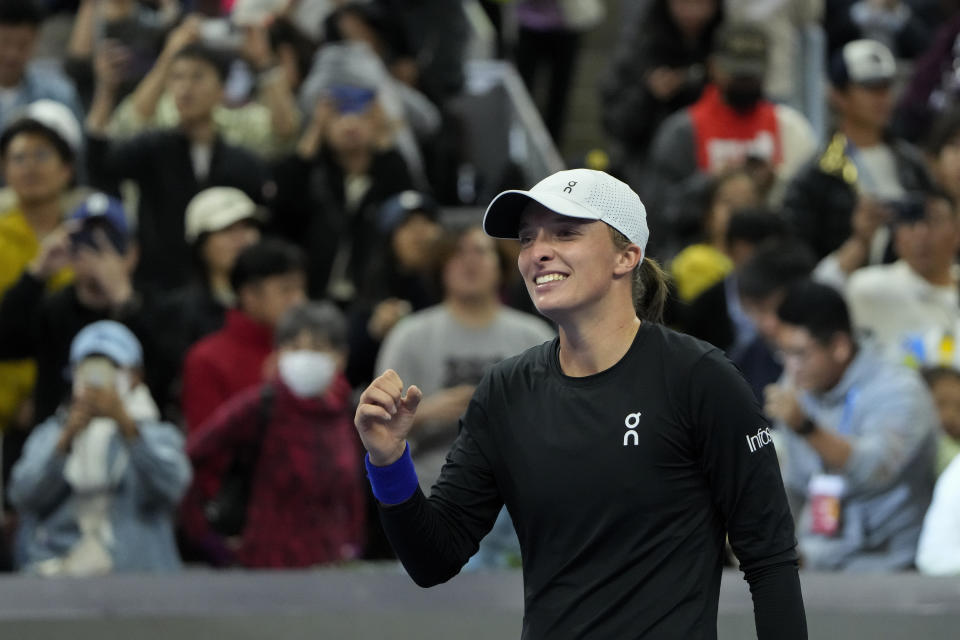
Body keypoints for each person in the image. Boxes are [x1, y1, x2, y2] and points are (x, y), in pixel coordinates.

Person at [355, 169, 806, 638]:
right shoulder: (505, 391)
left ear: (626, 256)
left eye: (565, 232)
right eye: (528, 238)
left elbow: (769, 558)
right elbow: (434, 558)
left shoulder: (700, 379)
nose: (537, 251)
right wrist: (389, 461)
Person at [765, 280, 937, 571]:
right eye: (783, 353)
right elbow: (794, 484)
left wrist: (807, 428)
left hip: (891, 568)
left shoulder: (899, 389)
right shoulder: (798, 385)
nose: (790, 367)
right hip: (818, 559)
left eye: (799, 354)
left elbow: (875, 468)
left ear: (840, 347)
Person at [374, 225, 555, 494]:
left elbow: (558, 419)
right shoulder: (408, 336)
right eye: (457, 253)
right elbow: (378, 426)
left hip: (518, 495)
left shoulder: (535, 336)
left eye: (481, 251)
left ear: (502, 265)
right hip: (429, 488)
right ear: (441, 267)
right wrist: (428, 412)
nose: (469, 261)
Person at [184, 302, 365, 568]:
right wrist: (209, 540)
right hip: (264, 575)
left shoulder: (351, 415)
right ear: (278, 353)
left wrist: (355, 545)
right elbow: (190, 458)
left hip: (333, 574)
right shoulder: (258, 407)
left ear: (340, 357)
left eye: (317, 348)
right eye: (294, 347)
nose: (305, 357)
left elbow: (358, 493)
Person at [85, 37, 271, 294]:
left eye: (197, 77)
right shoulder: (151, 148)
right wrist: (105, 91)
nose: (185, 88)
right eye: (177, 77)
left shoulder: (242, 162)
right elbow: (100, 167)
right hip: (158, 289)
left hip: (225, 293)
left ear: (221, 88)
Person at [8, 320, 191, 575]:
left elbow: (173, 488)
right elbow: (22, 496)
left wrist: (128, 427)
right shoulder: (51, 433)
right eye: (88, 367)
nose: (97, 379)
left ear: (136, 375)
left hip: (141, 577)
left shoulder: (158, 434)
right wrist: (65, 441)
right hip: (58, 577)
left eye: (111, 367)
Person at [0, 192, 163, 427]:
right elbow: (5, 344)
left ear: (132, 253)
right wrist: (36, 274)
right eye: (86, 241)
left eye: (110, 242)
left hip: (134, 443)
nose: (96, 254)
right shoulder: (53, 309)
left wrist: (123, 300)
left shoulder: (154, 307)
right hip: (59, 445)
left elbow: (164, 376)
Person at [645, 20, 816, 231]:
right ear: (713, 67)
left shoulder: (792, 129)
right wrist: (711, 182)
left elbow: (810, 212)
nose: (744, 82)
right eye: (738, 74)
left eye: (751, 75)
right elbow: (660, 211)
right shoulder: (682, 132)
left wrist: (775, 184)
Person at [783, 39, 932, 262]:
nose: (883, 98)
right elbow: (798, 258)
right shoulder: (816, 175)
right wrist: (859, 240)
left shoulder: (912, 161)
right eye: (870, 88)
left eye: (886, 86)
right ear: (838, 95)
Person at [180, 238, 306, 434]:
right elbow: (206, 450)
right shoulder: (205, 360)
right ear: (249, 295)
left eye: (300, 289)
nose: (299, 300)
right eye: (286, 290)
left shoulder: (312, 353)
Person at [602, 0, 723, 177]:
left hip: (708, 160)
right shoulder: (640, 47)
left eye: (702, 3)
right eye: (684, 3)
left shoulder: (723, 46)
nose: (693, 12)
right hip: (644, 162)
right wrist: (649, 94)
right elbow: (614, 121)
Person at [844, 190, 960, 356]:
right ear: (896, 235)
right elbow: (814, 304)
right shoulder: (870, 288)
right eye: (910, 222)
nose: (921, 234)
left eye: (933, 221)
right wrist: (860, 241)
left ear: (956, 231)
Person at [0, 0, 84, 129]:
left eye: (23, 45)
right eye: (5, 42)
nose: (12, 54)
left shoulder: (58, 95)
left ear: (36, 39)